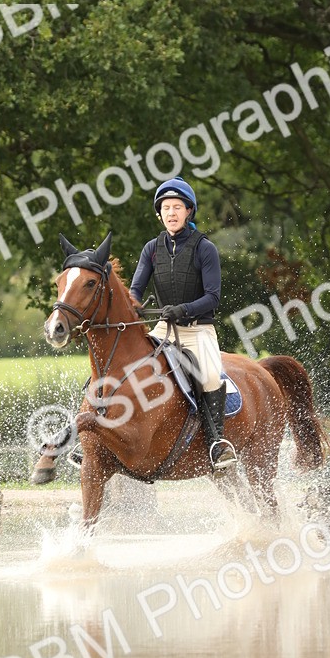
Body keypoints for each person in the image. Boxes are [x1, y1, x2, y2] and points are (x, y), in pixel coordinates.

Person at [129, 176, 238, 470]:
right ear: (159, 213)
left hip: (197, 330)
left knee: (212, 376)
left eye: (178, 207)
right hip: (164, 329)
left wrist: (183, 309)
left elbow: (213, 297)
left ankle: (217, 444)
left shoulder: (205, 248)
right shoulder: (151, 248)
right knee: (130, 367)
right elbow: (136, 289)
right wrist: (131, 306)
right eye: (166, 207)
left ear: (189, 211)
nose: (172, 213)